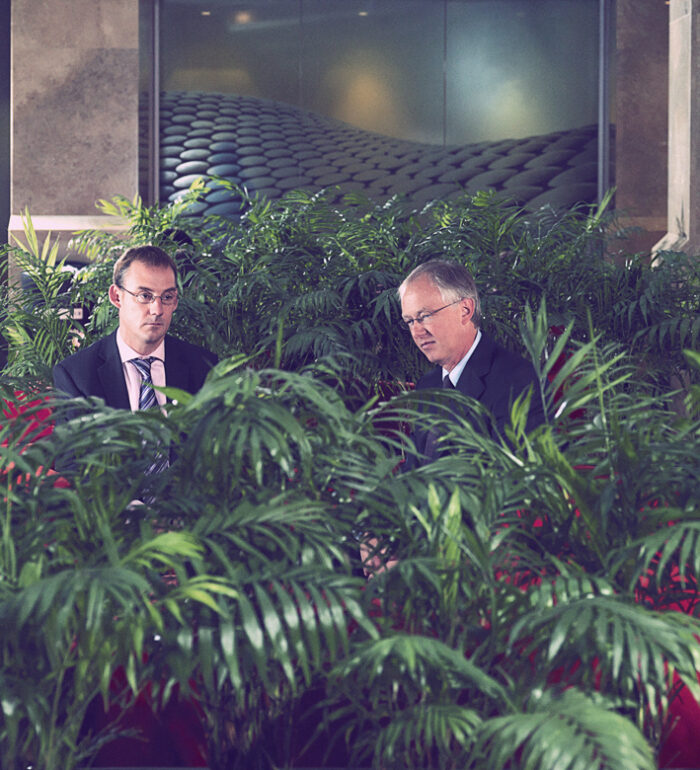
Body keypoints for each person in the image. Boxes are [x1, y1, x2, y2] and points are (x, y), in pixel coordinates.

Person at [398, 259, 545, 467]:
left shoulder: (517, 381)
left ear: (465, 310)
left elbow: (512, 481)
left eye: (425, 316)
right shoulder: (427, 386)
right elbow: (411, 474)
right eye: (410, 321)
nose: (417, 332)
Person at [53, 245, 217, 408]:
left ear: (175, 302)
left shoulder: (205, 368)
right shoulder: (76, 376)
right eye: (145, 296)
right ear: (117, 297)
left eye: (167, 297)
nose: (157, 310)